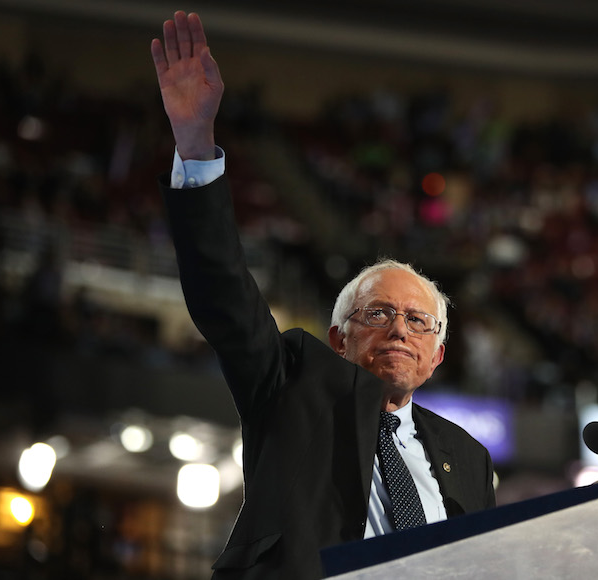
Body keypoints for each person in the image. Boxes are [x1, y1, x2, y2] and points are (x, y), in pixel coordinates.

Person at [151, 11, 496, 579]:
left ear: (437, 357)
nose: (401, 329)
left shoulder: (470, 460)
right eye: (380, 313)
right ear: (339, 337)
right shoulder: (290, 383)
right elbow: (224, 296)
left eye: (418, 321)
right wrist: (194, 142)